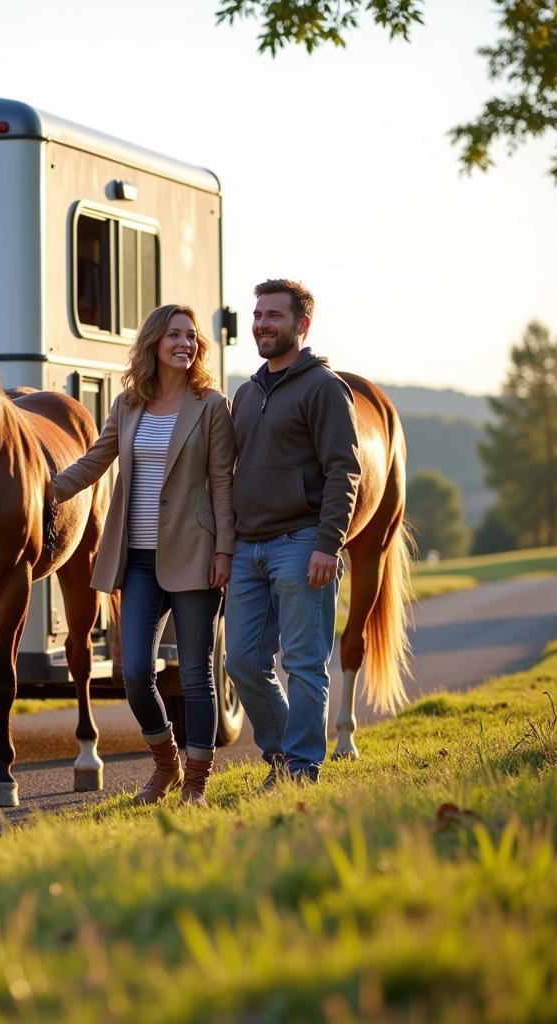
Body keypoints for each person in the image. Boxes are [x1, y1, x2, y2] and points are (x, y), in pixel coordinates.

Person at [51, 304, 235, 807]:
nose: (185, 343)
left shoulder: (211, 405)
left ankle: (195, 782)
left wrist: (225, 549)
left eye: (191, 336)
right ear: (154, 342)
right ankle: (166, 764)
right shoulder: (129, 404)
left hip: (195, 555)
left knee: (195, 675)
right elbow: (95, 459)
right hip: (136, 559)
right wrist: (46, 492)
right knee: (134, 671)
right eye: (174, 334)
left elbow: (223, 483)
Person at [226, 279, 360, 787]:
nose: (261, 324)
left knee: (305, 665)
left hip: (302, 545)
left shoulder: (323, 388)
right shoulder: (246, 391)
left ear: (301, 325)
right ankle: (284, 754)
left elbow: (344, 470)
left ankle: (302, 769)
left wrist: (329, 544)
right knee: (242, 662)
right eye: (257, 315)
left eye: (273, 316)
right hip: (247, 549)